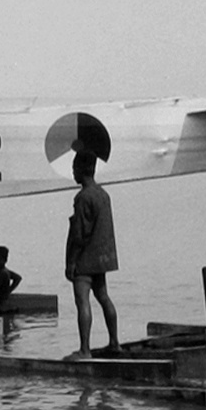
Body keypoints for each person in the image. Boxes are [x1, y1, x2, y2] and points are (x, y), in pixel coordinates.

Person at [65, 151, 120, 359]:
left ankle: (85, 350)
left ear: (82, 170)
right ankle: (115, 342)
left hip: (85, 261)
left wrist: (71, 262)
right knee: (103, 297)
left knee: (82, 302)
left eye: (74, 168)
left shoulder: (83, 197)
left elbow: (79, 234)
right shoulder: (103, 195)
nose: (72, 172)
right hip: (101, 258)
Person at [0, 245, 23, 311]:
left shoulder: (2, 273)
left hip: (0, 302)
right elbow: (18, 278)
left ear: (5, 260)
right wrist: (8, 291)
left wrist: (8, 291)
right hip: (1, 299)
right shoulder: (4, 271)